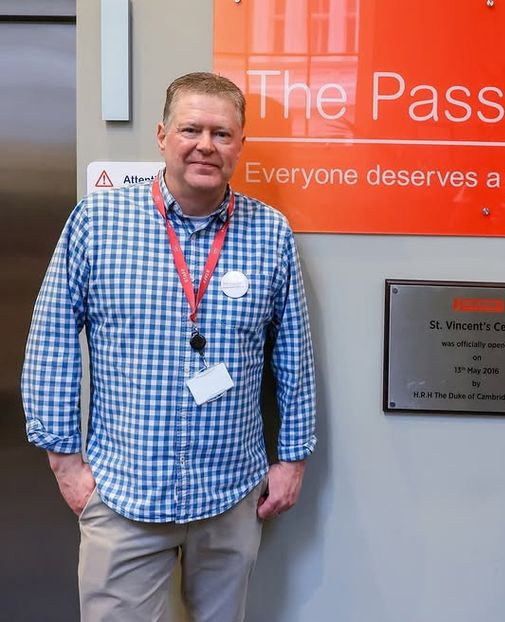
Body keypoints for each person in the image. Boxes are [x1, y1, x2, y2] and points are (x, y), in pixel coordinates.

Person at [21, 72, 317, 622]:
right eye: (191, 129)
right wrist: (64, 461)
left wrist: (292, 460)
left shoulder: (270, 232)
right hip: (124, 492)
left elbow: (293, 357)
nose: (206, 144)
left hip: (230, 491)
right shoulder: (97, 221)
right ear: (162, 136)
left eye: (223, 134)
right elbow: (51, 340)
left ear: (241, 145)